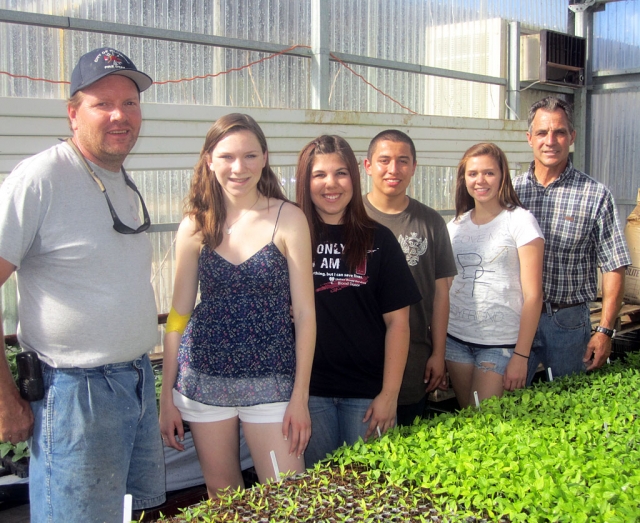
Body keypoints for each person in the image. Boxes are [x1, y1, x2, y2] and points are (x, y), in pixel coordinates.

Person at [0, 48, 165, 522]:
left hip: (134, 382)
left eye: (130, 103)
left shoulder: (120, 179)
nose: (121, 115)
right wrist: (6, 398)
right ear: (73, 113)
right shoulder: (42, 177)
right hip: (73, 395)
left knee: (132, 514)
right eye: (103, 103)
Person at [159, 113, 316, 498]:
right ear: (209, 160)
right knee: (223, 498)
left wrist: (300, 397)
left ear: (264, 158)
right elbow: (178, 316)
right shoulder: (194, 225)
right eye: (227, 156)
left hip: (273, 383)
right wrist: (166, 397)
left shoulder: (289, 218)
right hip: (204, 380)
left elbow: (307, 315)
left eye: (249, 156)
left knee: (288, 497)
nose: (238, 167)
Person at [295, 135, 421, 466]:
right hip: (310, 393)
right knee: (317, 493)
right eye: (318, 174)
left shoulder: (379, 239)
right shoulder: (291, 238)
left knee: (367, 491)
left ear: (355, 176)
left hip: (366, 394)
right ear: (305, 182)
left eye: (340, 173)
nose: (330, 184)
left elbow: (398, 323)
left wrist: (389, 396)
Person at [513, 97, 631, 384]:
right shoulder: (511, 192)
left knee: (568, 405)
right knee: (508, 406)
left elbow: (614, 265)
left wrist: (604, 331)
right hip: (514, 319)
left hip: (567, 322)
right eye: (542, 132)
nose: (550, 141)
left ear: (572, 137)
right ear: (529, 138)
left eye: (560, 132)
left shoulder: (595, 194)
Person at [363, 130, 457, 426]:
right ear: (368, 166)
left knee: (402, 455)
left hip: (412, 359)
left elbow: (441, 294)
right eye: (384, 160)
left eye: (403, 161)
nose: (393, 169)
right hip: (358, 359)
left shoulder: (430, 222)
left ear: (414, 167)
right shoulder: (351, 216)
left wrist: (438, 353)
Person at [446, 143, 544, 407]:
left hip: (500, 345)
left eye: (489, 173)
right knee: (469, 420)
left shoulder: (520, 221)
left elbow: (534, 296)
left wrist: (521, 356)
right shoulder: (455, 226)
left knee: (486, 424)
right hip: (455, 340)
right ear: (463, 179)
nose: (480, 180)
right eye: (472, 173)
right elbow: (443, 288)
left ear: (502, 176)